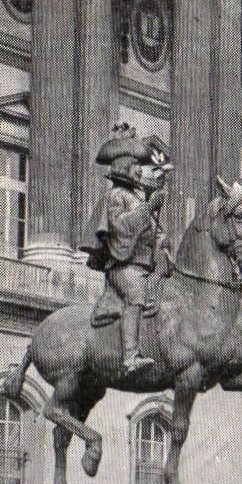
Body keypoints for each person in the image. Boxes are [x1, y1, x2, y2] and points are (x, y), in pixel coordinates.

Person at [80, 126, 173, 376]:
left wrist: (162, 242)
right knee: (136, 296)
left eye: (140, 166)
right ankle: (130, 356)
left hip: (144, 266)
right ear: (122, 167)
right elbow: (120, 228)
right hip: (124, 268)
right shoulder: (117, 196)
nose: (140, 170)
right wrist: (147, 209)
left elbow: (152, 233)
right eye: (135, 166)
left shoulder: (137, 197)